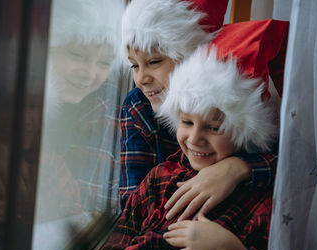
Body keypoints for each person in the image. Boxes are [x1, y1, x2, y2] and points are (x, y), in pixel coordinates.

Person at [94, 19, 288, 250]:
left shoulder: (261, 203)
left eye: (214, 127)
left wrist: (226, 247)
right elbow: (118, 239)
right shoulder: (157, 179)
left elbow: (295, 162)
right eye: (185, 122)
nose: (195, 138)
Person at [119, 0, 285, 223]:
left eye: (155, 62)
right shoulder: (138, 106)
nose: (141, 79)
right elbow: (132, 203)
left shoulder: (234, 101)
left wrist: (237, 168)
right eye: (134, 66)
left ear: (191, 55)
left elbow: (294, 161)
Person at [39, 0, 126, 214]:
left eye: (104, 63)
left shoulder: (105, 104)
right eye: (77, 55)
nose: (89, 74)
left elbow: (84, 211)